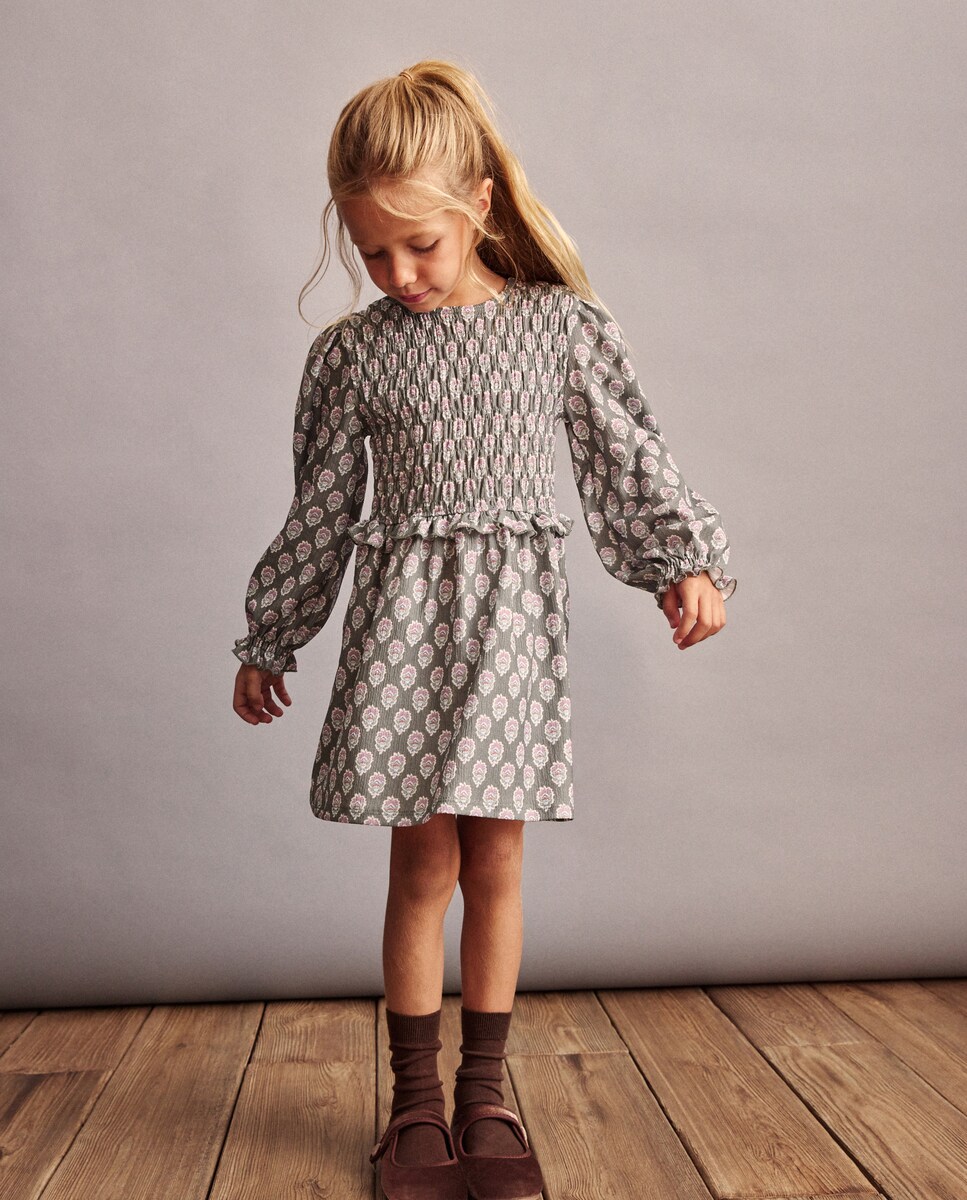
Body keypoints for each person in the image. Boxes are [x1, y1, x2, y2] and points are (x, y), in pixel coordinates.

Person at [231, 58, 736, 1200]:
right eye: (371, 253)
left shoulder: (557, 329)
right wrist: (270, 635)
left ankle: (486, 1096)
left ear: (480, 206)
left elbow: (625, 455)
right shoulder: (353, 354)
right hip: (402, 633)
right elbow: (319, 510)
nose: (396, 274)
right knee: (422, 861)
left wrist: (683, 561)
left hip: (510, 635)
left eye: (418, 245)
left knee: (496, 859)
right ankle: (414, 1106)